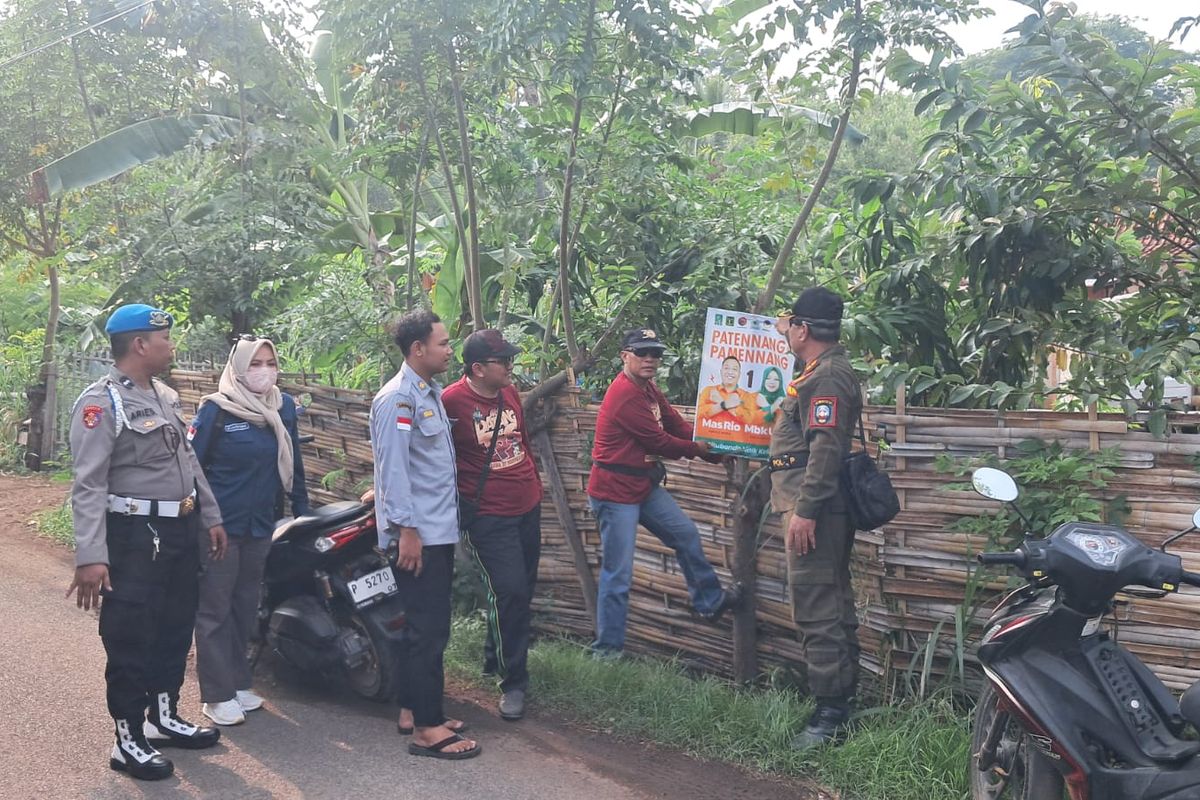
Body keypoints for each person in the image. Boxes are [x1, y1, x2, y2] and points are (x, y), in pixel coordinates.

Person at [66, 303, 227, 781]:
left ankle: (163, 715)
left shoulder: (164, 396)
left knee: (174, 627)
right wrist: (91, 556)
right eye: (165, 339)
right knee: (131, 635)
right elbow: (88, 484)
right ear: (140, 344)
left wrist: (210, 516)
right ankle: (128, 738)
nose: (170, 347)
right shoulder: (102, 403)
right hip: (135, 536)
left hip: (178, 531)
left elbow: (189, 462)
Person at [587, 328, 745, 658]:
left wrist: (716, 450)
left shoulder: (647, 389)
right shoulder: (624, 394)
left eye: (655, 353)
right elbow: (659, 442)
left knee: (685, 534)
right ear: (624, 356)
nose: (650, 359)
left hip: (642, 484)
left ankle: (710, 601)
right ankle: (607, 651)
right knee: (618, 574)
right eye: (641, 352)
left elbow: (674, 423)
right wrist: (700, 450)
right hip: (615, 491)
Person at [370, 309, 481, 760]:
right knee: (427, 630)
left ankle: (413, 709)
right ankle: (428, 730)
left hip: (435, 530)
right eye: (443, 343)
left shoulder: (426, 392)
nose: (450, 350)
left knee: (426, 626)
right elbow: (394, 468)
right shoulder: (398, 399)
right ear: (418, 349)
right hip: (419, 535)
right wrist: (407, 530)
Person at [188, 336, 310, 726]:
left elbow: (294, 461)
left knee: (245, 606)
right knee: (215, 609)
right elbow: (193, 469)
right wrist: (204, 519)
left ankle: (239, 683)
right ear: (238, 368)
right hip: (220, 527)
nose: (264, 371)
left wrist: (302, 511)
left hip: (260, 525)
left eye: (270, 363)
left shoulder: (282, 406)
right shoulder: (216, 409)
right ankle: (216, 694)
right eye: (255, 364)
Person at [768, 286, 863, 750]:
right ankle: (840, 702)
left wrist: (805, 512)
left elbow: (825, 449)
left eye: (792, 325)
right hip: (811, 504)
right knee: (831, 602)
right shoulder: (820, 371)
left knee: (817, 607)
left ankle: (830, 716)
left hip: (814, 510)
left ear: (804, 330)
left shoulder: (826, 377)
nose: (787, 332)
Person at [442, 330, 544, 722]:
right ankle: (512, 681)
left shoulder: (509, 393)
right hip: (487, 516)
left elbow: (523, 442)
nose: (510, 366)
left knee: (520, 591)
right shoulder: (451, 402)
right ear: (478, 368)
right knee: (510, 590)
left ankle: (494, 656)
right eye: (503, 361)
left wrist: (534, 484)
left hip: (527, 505)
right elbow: (435, 455)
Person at [695, 355, 760, 425]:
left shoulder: (746, 396)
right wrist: (725, 405)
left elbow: (749, 420)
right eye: (726, 368)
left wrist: (721, 402)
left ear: (739, 374)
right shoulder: (709, 391)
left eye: (734, 369)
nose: (730, 372)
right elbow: (699, 414)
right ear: (721, 371)